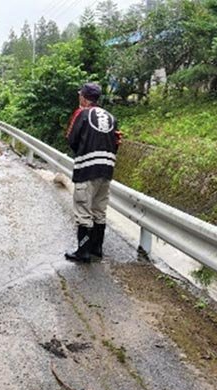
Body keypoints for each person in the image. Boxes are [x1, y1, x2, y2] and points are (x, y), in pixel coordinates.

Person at [64, 82, 121, 263]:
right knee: (99, 209)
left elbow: (71, 139)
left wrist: (82, 150)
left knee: (83, 209)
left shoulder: (81, 113)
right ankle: (97, 248)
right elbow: (117, 141)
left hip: (87, 168)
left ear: (84, 97)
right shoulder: (111, 117)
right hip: (107, 169)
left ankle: (83, 252)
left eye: (80, 94)